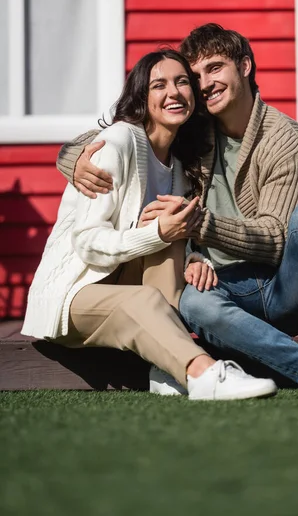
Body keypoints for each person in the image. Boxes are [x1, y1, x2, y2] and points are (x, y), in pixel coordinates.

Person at [56, 26, 298, 394]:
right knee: (194, 304)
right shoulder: (192, 128)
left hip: (283, 288)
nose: (204, 84)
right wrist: (74, 159)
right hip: (220, 289)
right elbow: (116, 131)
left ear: (245, 66)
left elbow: (277, 240)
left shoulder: (288, 141)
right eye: (196, 75)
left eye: (215, 68)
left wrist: (199, 226)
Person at [21, 49, 278, 401]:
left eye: (182, 82)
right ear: (143, 97)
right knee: (144, 293)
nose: (173, 92)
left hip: (122, 279)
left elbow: (166, 239)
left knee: (172, 225)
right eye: (159, 85)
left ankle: (163, 367)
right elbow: (88, 241)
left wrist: (193, 259)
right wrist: (157, 233)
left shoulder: (177, 167)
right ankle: (204, 374)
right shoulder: (118, 143)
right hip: (74, 294)